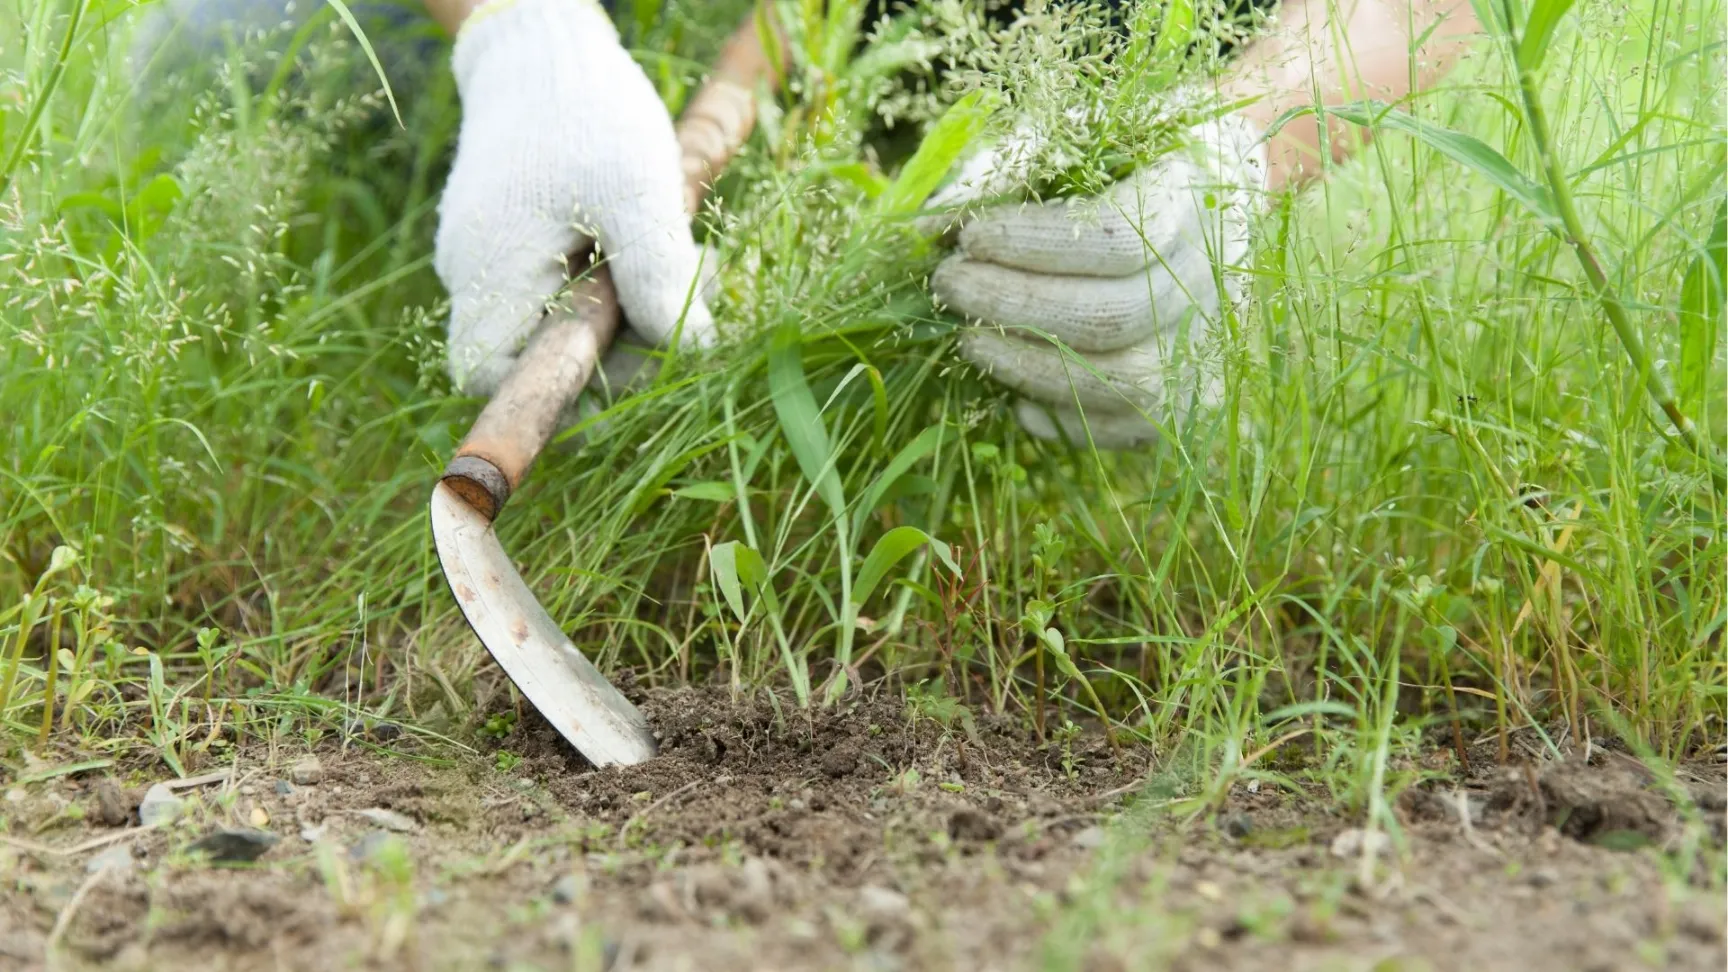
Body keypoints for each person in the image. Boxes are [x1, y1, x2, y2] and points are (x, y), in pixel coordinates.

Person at [142, 0, 1480, 443]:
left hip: (1044, 45)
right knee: (229, 43)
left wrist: (1227, 148)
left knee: (1040, 298)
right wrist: (521, 34)